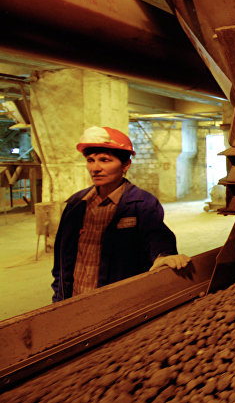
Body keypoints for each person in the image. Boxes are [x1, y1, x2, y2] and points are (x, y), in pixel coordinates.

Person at [51, 126, 190, 302]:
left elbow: (157, 237)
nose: (95, 168)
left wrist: (164, 256)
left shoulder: (141, 203)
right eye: (90, 160)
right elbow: (60, 264)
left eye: (105, 160)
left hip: (119, 302)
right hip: (75, 301)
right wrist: (59, 300)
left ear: (126, 165)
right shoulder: (75, 205)